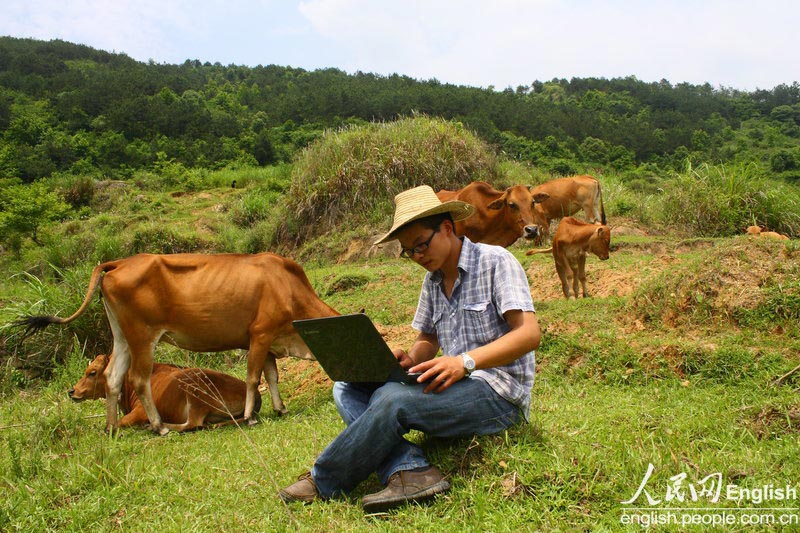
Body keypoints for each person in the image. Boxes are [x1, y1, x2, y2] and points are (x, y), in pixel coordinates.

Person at [279, 184, 541, 513]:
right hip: (454, 382)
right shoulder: (432, 281)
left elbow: (529, 333)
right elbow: (428, 340)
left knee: (393, 400)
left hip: (499, 394)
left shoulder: (496, 261)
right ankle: (410, 469)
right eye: (409, 252)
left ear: (446, 228)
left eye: (421, 245)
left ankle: (323, 480)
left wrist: (465, 362)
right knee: (347, 389)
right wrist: (410, 359)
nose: (418, 257)